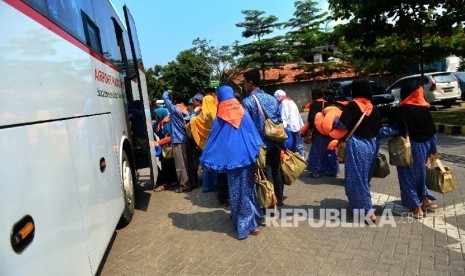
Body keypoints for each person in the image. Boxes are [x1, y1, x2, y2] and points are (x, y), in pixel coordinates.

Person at [199, 85, 264, 239]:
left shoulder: (220, 117)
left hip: (232, 161)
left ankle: (245, 224)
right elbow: (254, 135)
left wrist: (204, 159)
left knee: (237, 192)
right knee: (248, 188)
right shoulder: (243, 111)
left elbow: (213, 140)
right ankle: (254, 216)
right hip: (248, 158)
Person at [333, 80, 382, 222]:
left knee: (356, 179)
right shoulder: (372, 107)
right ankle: (357, 207)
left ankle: (368, 212)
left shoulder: (352, 106)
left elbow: (342, 125)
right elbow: (378, 127)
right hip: (372, 146)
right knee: (365, 178)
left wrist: (335, 120)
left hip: (357, 145)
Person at [390, 83, 438, 219]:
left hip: (410, 148)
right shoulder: (424, 108)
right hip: (426, 146)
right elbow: (433, 132)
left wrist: (377, 133)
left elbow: (394, 129)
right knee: (420, 174)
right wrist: (433, 151)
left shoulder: (403, 110)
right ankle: (426, 200)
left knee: (407, 177)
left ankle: (416, 208)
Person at [241, 69, 285, 206]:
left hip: (260, 145)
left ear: (250, 82)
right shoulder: (272, 98)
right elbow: (279, 120)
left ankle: (270, 202)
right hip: (276, 141)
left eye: (244, 82)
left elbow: (247, 127)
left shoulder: (247, 102)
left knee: (265, 173)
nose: (243, 85)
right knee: (276, 169)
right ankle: (279, 197)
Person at [162, 90, 191, 193]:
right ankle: (188, 182)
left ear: (174, 99)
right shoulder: (185, 110)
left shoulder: (174, 109)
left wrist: (168, 91)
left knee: (180, 165)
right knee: (186, 163)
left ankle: (184, 185)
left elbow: (165, 98)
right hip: (185, 139)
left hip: (177, 141)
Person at [306, 89, 339, 177]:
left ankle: (316, 171)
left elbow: (311, 119)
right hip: (329, 132)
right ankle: (332, 170)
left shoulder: (314, 105)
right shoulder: (328, 104)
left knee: (317, 152)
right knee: (330, 150)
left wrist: (309, 130)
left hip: (319, 133)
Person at [152, 108, 177, 192]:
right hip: (165, 147)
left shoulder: (169, 123)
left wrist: (159, 142)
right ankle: (170, 181)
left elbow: (171, 137)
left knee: (168, 163)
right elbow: (152, 129)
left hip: (170, 145)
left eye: (157, 115)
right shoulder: (158, 124)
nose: (155, 117)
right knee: (166, 162)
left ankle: (166, 183)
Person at [274, 89, 304, 155]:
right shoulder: (291, 101)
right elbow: (298, 114)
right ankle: (301, 160)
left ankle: (295, 162)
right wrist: (302, 126)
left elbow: (284, 117)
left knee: (290, 148)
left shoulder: (283, 103)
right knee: (299, 146)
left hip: (290, 129)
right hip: (297, 127)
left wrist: (281, 130)